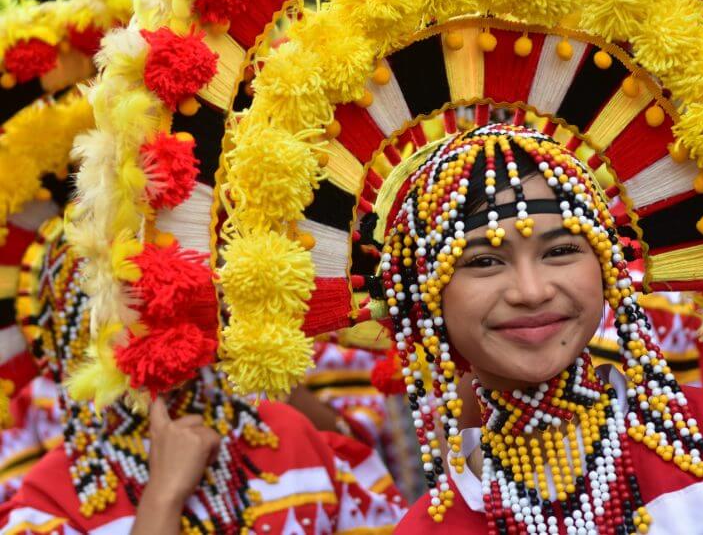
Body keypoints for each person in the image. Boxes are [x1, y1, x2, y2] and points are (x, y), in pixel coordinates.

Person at [371, 124, 703, 534]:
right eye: (483, 261)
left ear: (608, 268)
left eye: (561, 251)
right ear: (424, 299)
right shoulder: (428, 527)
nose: (531, 290)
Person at [0, 219, 407, 534]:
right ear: (69, 337)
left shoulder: (291, 437)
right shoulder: (48, 504)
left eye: (165, 291)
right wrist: (163, 497)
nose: (155, 314)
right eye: (123, 298)